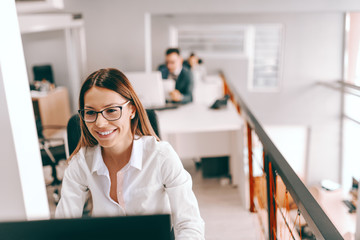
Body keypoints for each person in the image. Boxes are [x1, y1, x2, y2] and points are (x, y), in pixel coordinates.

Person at [55, 68, 205, 239]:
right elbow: (63, 227)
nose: (100, 123)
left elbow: (189, 224)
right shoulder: (81, 163)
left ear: (132, 110)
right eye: (90, 112)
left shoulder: (161, 157)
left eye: (111, 110)